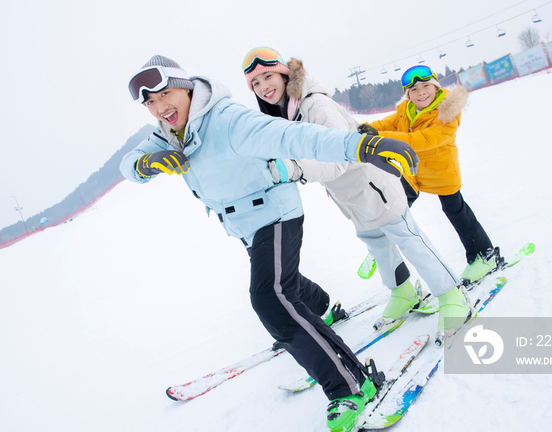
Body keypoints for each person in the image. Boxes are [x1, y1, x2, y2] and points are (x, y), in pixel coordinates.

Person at [119, 55, 420, 431]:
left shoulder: (227, 119)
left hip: (274, 213)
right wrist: (145, 165)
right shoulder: (167, 135)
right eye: (150, 103)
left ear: (186, 87)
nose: (160, 107)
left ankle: (353, 386)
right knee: (282, 284)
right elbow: (129, 162)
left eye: (165, 94)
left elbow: (293, 136)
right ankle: (324, 309)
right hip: (243, 224)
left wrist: (357, 146)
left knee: (270, 298)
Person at [241, 46, 471, 336]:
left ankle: (452, 295)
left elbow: (341, 155)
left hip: (373, 187)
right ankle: (403, 292)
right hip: (352, 197)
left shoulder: (315, 106)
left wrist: (295, 169)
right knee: (377, 245)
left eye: (267, 77)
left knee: (410, 240)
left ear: (284, 74)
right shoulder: (292, 111)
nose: (263, 87)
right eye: (255, 84)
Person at [358, 65, 502, 283]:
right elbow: (382, 124)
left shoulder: (447, 112)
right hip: (413, 174)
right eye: (414, 90)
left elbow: (426, 139)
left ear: (436, 87)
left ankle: (485, 255)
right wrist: (360, 129)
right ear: (408, 95)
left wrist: (380, 137)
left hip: (441, 172)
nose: (421, 92)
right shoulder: (406, 111)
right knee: (395, 208)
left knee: (456, 212)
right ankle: (382, 243)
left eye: (426, 86)